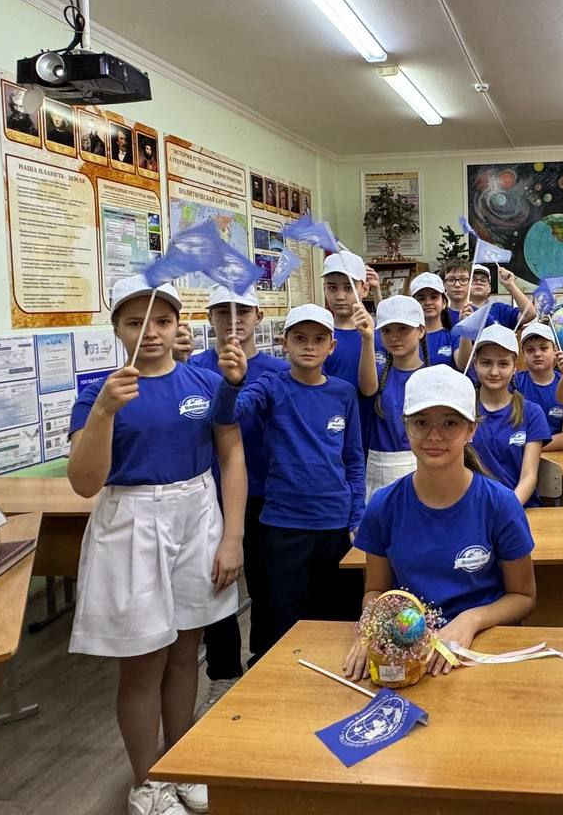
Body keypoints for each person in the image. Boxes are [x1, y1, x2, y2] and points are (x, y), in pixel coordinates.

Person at [68, 275, 244, 815]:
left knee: (186, 651)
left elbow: (232, 456)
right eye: (135, 322)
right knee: (143, 660)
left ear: (176, 326)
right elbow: (84, 482)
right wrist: (103, 412)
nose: (150, 332)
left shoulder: (204, 382)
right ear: (117, 329)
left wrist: (233, 536)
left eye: (163, 321)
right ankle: (147, 782)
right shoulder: (99, 392)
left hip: (198, 512)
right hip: (133, 522)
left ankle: (180, 764)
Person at [343, 365, 536, 679]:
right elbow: (375, 589)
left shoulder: (500, 504)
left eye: (450, 423)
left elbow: (523, 597)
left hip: (479, 649)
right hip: (409, 651)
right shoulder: (384, 505)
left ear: (471, 430)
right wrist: (370, 628)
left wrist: (470, 620)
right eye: (421, 422)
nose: (434, 435)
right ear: (406, 427)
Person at [212, 303, 365, 655]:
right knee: (286, 618)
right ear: (284, 343)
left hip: (335, 524)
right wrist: (232, 382)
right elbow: (226, 415)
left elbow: (353, 460)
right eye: (299, 338)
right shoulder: (271, 385)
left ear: (331, 346)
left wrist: (356, 515)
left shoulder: (343, 392)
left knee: (337, 616)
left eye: (318, 339)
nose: (309, 346)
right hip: (285, 525)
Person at [187, 285, 286, 712]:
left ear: (258, 317)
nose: (233, 321)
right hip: (210, 495)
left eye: (243, 312)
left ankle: (263, 662)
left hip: (266, 493)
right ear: (210, 319)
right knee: (218, 584)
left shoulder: (278, 370)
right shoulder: (194, 369)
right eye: (223, 313)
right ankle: (223, 673)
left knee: (265, 585)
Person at [470, 325, 551, 505]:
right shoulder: (463, 410)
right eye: (486, 363)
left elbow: (529, 476)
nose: (494, 372)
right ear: (475, 364)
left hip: (519, 507)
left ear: (515, 366)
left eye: (503, 364)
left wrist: (507, 511)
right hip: (474, 509)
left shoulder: (532, 413)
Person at [363, 295, 429, 498]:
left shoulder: (432, 377)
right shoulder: (376, 373)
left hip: (423, 466)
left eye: (403, 329)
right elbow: (367, 388)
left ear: (421, 331)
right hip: (380, 469)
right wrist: (367, 339)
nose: (394, 337)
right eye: (386, 330)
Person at [320, 251, 380, 396]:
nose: (340, 296)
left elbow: (371, 389)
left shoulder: (380, 334)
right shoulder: (319, 335)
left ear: (365, 289)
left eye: (348, 288)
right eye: (332, 288)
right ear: (324, 289)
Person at [513, 322, 563, 451]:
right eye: (530, 350)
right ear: (523, 355)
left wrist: (531, 448)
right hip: (520, 456)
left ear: (555, 351)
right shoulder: (514, 383)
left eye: (543, 348)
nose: (537, 354)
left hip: (555, 456)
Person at [443, 259, 534, 328]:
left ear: (489, 288)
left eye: (483, 280)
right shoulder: (445, 315)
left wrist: (510, 285)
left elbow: (530, 314)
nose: (478, 282)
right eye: (474, 280)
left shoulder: (499, 309)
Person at [410, 272, 457, 367]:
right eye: (421, 298)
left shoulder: (453, 335)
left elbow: (463, 364)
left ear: (444, 302)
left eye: (434, 297)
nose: (428, 302)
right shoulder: (407, 337)